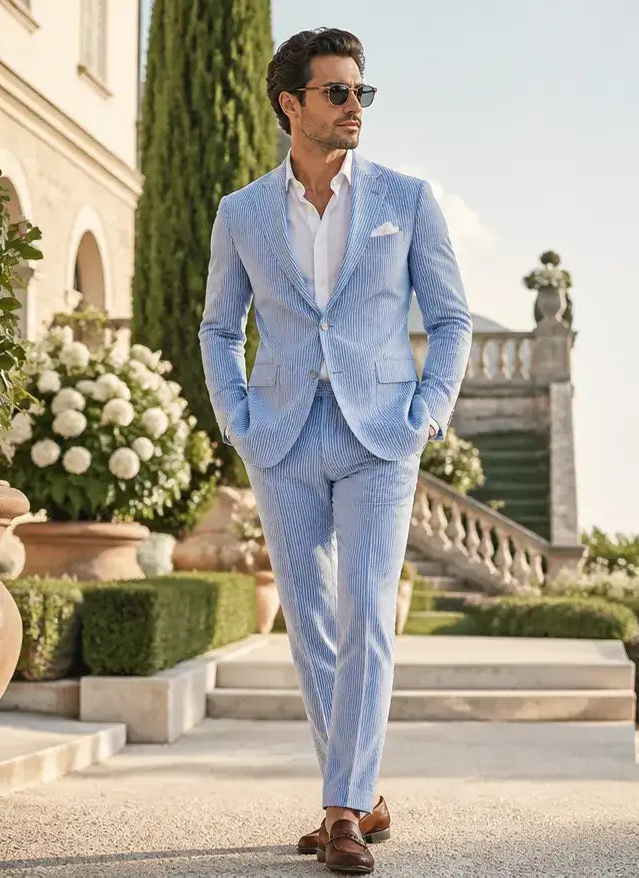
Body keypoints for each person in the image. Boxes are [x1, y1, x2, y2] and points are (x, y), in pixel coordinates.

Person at [199, 27, 472, 875]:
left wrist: (429, 410)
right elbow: (219, 324)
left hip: (380, 433)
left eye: (362, 93)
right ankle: (361, 793)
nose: (356, 107)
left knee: (365, 616)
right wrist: (238, 418)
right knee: (308, 623)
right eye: (338, 93)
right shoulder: (242, 212)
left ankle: (342, 812)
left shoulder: (406, 199)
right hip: (282, 434)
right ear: (293, 104)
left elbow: (452, 317)